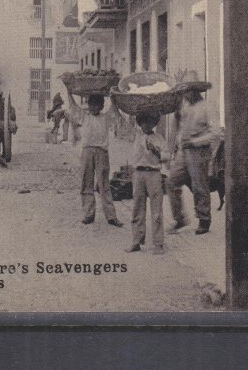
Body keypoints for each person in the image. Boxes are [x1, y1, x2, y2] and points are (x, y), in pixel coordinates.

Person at [166, 77, 219, 235]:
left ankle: (204, 219)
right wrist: (175, 146)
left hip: (199, 151)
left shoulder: (208, 107)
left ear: (196, 91)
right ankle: (179, 218)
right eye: (184, 91)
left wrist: (196, 142)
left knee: (199, 185)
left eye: (188, 91)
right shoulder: (185, 107)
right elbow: (180, 128)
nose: (185, 94)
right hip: (183, 151)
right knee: (171, 181)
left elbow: (216, 133)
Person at [66, 92, 126, 227]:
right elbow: (73, 106)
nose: (93, 108)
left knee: (104, 184)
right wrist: (69, 92)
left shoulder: (106, 118)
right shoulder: (84, 116)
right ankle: (88, 214)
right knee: (86, 182)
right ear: (88, 106)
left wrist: (113, 96)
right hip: (87, 152)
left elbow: (114, 108)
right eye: (91, 105)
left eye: (96, 105)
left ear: (101, 106)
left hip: (102, 153)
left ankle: (111, 216)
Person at [126, 112, 169, 255]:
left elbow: (166, 157)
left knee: (156, 209)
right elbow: (120, 120)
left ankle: (158, 243)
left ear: (154, 124)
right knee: (138, 208)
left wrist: (156, 151)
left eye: (150, 122)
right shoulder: (136, 135)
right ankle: (136, 241)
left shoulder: (159, 138)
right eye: (144, 122)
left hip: (154, 174)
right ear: (140, 123)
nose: (147, 125)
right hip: (138, 174)